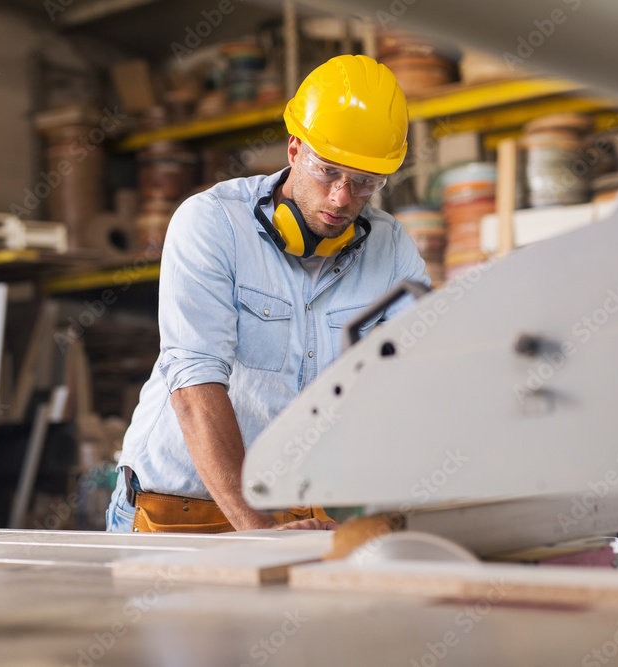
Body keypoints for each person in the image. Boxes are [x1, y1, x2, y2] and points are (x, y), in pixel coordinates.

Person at [106, 54, 429, 533]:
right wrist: (257, 532)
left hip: (296, 510)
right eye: (327, 172)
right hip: (177, 508)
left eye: (364, 183)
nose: (342, 198)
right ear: (294, 149)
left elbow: (417, 378)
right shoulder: (212, 223)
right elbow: (194, 384)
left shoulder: (392, 248)